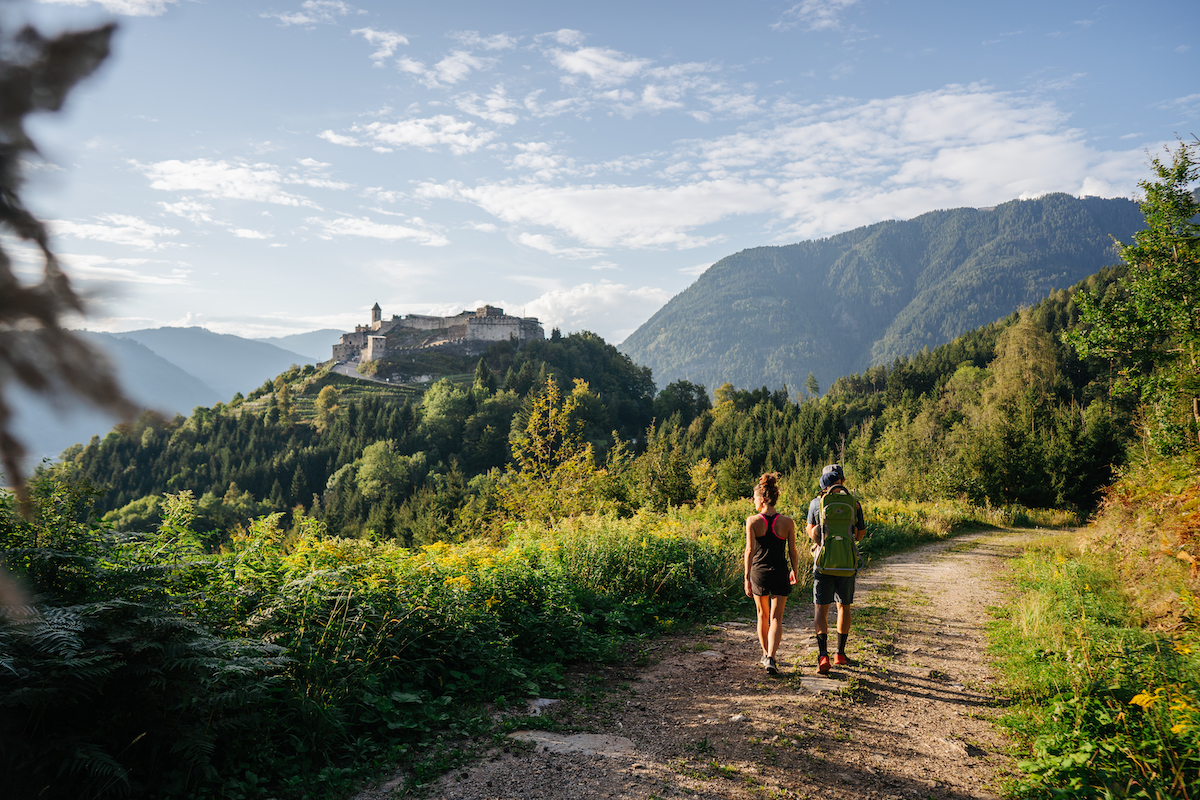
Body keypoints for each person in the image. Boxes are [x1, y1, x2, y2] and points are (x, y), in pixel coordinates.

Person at [806, 464, 867, 674]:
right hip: (846, 563)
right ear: (842, 481)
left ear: (823, 483)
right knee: (844, 607)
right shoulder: (854, 504)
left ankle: (823, 655)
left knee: (820, 609)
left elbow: (812, 533)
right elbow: (859, 535)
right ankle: (840, 654)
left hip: (823, 563)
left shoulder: (816, 503)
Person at [743, 472, 800, 675]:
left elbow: (749, 551)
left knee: (762, 615)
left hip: (759, 572)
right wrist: (795, 570)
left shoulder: (752, 521)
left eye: (755, 497)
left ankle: (765, 653)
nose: (754, 501)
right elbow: (792, 551)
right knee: (776, 617)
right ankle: (771, 657)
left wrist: (746, 577)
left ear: (763, 499)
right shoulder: (788, 522)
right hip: (780, 572)